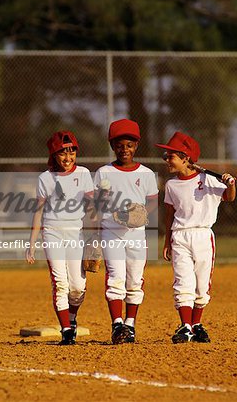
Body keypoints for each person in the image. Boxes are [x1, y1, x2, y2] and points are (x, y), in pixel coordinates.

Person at [156, 131, 236, 344]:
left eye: (170, 156)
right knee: (183, 281)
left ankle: (196, 324)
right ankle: (186, 326)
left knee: (201, 285)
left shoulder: (208, 179)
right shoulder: (172, 184)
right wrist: (167, 241)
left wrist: (230, 184)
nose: (166, 160)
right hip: (180, 236)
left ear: (185, 158)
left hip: (202, 235)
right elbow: (169, 214)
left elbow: (229, 197)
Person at [26, 130, 94, 345]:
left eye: (72, 152)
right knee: (61, 284)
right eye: (62, 153)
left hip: (76, 234)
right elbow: (38, 211)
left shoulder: (83, 174)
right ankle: (66, 330)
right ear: (53, 155)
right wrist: (32, 243)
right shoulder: (46, 178)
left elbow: (92, 208)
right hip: (52, 233)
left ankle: (71, 319)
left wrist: (95, 238)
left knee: (78, 288)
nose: (68, 158)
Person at [94, 119, 159, 344]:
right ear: (113, 146)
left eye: (129, 145)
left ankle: (130, 325)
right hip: (112, 232)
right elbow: (97, 205)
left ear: (136, 146)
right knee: (116, 278)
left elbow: (152, 201)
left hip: (137, 233)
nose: (125, 150)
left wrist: (140, 212)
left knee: (135, 280)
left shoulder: (147, 173)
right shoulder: (104, 172)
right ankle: (117, 324)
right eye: (120, 145)